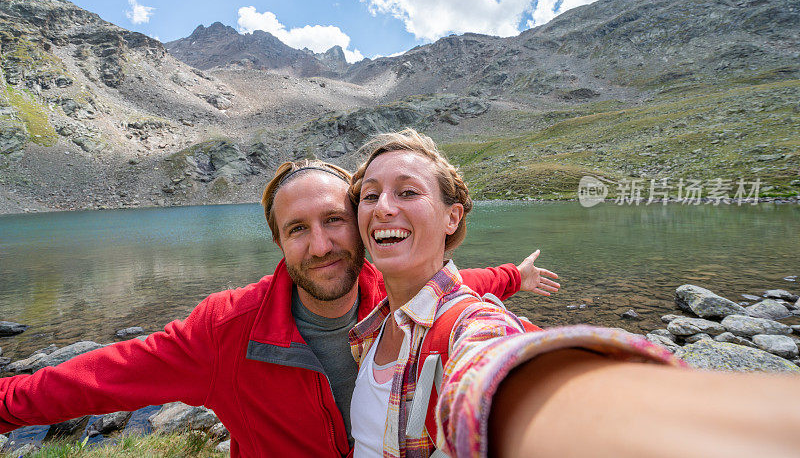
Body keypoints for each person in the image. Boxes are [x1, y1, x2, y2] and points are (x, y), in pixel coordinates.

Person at [0, 159, 559, 457]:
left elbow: (470, 293)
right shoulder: (224, 331)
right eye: (297, 229)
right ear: (278, 244)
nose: (320, 246)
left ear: (362, 226)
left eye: (335, 220)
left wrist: (516, 277)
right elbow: (96, 380)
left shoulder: (393, 288)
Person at [346, 129, 800, 458]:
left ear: (452, 218)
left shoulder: (471, 323)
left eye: (407, 192)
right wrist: (515, 276)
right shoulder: (373, 324)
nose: (384, 207)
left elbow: (491, 365)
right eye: (370, 195)